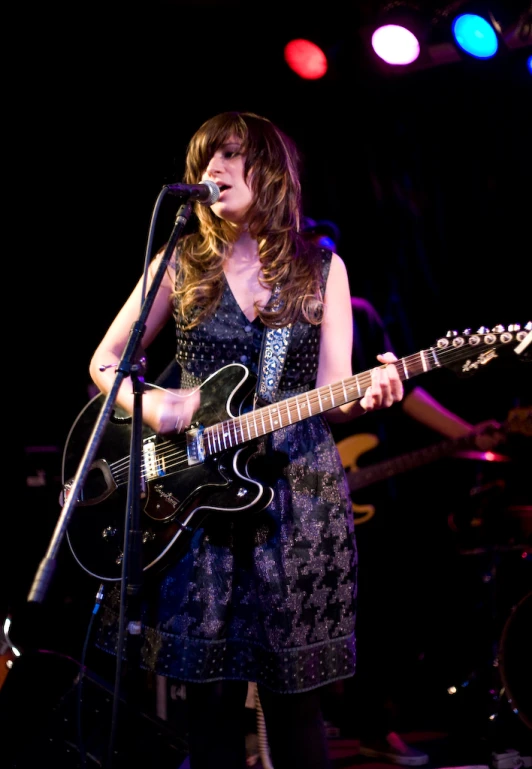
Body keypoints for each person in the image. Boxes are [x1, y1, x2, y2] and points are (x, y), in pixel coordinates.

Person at [87, 111, 405, 769]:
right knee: (209, 706)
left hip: (297, 500)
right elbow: (103, 362)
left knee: (296, 707)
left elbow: (337, 392)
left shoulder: (322, 268)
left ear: (273, 173)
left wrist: (370, 393)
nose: (214, 168)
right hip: (199, 499)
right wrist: (151, 405)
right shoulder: (180, 262)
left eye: (233, 154)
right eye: (206, 157)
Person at [301, 217, 504, 766]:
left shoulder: (358, 314)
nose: (317, 268)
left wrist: (464, 435)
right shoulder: (271, 310)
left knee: (380, 610)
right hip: (283, 488)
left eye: (326, 257)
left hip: (354, 489)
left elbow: (403, 392)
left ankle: (371, 727)